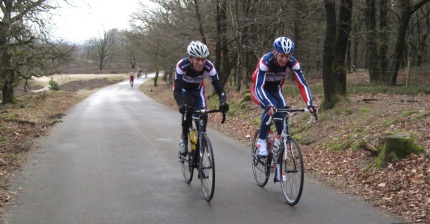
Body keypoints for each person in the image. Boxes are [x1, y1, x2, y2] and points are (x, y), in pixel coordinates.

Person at [251, 36, 317, 157]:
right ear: (275, 52)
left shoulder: (293, 63)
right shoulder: (266, 61)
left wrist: (309, 103)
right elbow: (258, 86)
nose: (284, 59)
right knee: (272, 108)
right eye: (281, 55)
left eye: (287, 56)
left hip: (276, 90)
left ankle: (278, 157)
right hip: (260, 90)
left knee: (281, 117)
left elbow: (302, 85)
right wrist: (267, 104)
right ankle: (261, 141)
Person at [173, 41, 229, 156]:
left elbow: (219, 89)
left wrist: (223, 101)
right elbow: (177, 90)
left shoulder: (209, 67)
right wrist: (181, 104)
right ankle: (184, 138)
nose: (201, 63)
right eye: (197, 59)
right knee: (188, 107)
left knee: (203, 114)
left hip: (198, 90)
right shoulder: (182, 65)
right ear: (190, 58)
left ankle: (201, 139)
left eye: (203, 59)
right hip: (183, 90)